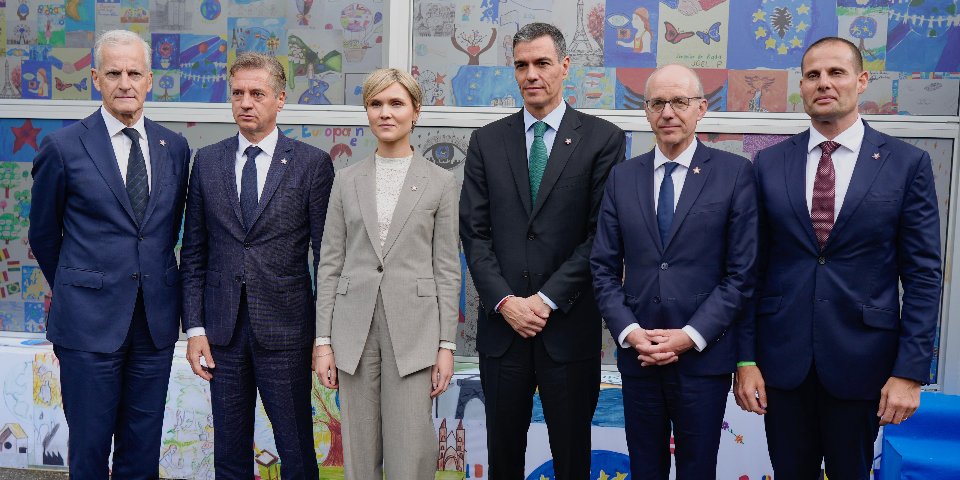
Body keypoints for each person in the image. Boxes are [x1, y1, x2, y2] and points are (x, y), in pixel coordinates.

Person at [735, 37, 942, 479]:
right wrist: (745, 360)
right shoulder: (768, 163)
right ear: (802, 87)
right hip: (782, 364)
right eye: (812, 75)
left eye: (836, 73)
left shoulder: (907, 164)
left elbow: (924, 276)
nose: (823, 83)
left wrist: (910, 372)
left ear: (861, 81)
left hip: (864, 364)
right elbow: (751, 270)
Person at [459, 22, 626, 479]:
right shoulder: (487, 141)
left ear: (565, 66)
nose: (531, 74)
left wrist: (545, 300)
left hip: (567, 330)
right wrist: (506, 302)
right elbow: (474, 233)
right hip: (503, 330)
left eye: (542, 63)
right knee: (503, 458)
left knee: (572, 459)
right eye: (521, 65)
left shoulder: (603, 139)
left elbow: (602, 236)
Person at [29, 29, 190, 479]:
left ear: (150, 80)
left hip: (154, 324)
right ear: (96, 78)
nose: (125, 83)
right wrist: (82, 285)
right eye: (114, 73)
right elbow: (43, 235)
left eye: (134, 73)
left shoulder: (174, 147)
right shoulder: (62, 147)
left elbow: (167, 231)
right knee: (90, 449)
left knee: (143, 451)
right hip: (87, 325)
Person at [590, 63, 758, 479]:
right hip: (640, 357)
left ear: (701, 108)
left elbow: (742, 274)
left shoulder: (734, 173)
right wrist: (630, 333)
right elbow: (603, 268)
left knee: (697, 470)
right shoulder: (622, 177)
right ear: (646, 111)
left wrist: (691, 336)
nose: (668, 112)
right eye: (657, 103)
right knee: (645, 469)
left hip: (703, 359)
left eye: (679, 102)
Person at [180, 52, 333, 480]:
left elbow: (326, 257)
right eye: (238, 93)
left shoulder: (311, 163)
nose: (245, 102)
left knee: (296, 450)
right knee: (229, 453)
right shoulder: (207, 161)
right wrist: (195, 328)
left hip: (287, 331)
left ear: (280, 99)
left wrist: (323, 337)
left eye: (257, 94)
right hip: (222, 332)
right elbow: (193, 252)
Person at [313, 68, 460, 479]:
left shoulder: (441, 182)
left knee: (410, 450)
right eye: (375, 104)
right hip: (353, 332)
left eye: (396, 103)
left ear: (416, 111)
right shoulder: (345, 180)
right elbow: (330, 263)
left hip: (414, 333)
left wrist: (446, 345)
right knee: (358, 454)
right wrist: (323, 342)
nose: (385, 112)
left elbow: (447, 269)